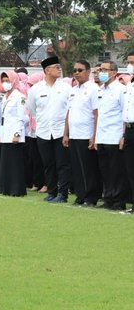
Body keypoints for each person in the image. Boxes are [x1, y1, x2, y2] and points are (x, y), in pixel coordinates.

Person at [27, 56, 72, 203]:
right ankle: (51, 191)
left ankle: (63, 193)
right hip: (43, 131)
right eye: (55, 67)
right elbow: (32, 110)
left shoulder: (66, 88)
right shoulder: (35, 89)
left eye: (59, 66)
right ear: (47, 70)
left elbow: (69, 110)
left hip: (61, 131)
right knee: (48, 164)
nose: (59, 69)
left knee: (62, 164)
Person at [62, 60, 101, 207]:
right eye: (75, 70)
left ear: (88, 71)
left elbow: (96, 114)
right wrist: (65, 134)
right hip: (74, 134)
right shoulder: (73, 90)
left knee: (89, 168)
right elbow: (68, 113)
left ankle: (91, 197)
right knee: (76, 167)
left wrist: (94, 135)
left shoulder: (93, 89)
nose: (77, 73)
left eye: (80, 70)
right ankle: (80, 195)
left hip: (87, 134)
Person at [94, 61, 128, 211]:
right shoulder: (101, 90)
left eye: (105, 70)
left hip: (115, 136)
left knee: (116, 171)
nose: (101, 72)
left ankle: (118, 200)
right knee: (105, 170)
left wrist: (123, 136)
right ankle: (108, 198)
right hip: (102, 136)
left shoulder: (121, 90)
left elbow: (124, 114)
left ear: (114, 72)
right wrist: (96, 137)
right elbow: (99, 115)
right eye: (100, 69)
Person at [0, 71, 27, 196]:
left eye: (8, 80)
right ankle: (6, 188)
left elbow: (21, 117)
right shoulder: (5, 96)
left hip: (15, 133)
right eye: (3, 80)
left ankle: (16, 189)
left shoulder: (19, 96)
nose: (5, 83)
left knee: (15, 163)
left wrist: (17, 133)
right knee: (6, 162)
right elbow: (3, 117)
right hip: (5, 133)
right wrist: (0, 133)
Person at [122, 51, 134, 213]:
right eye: (129, 62)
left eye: (133, 62)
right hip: (130, 129)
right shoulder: (130, 84)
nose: (130, 65)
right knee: (130, 168)